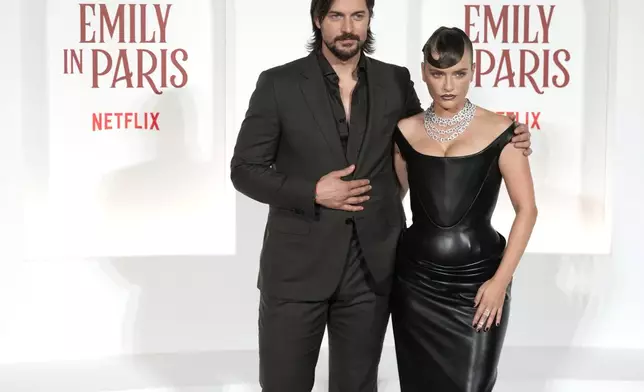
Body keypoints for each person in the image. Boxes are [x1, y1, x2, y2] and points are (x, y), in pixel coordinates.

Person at [230, 0, 532, 390]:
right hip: (296, 270)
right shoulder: (278, 84)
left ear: (369, 19)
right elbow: (244, 171)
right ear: (318, 19)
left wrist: (510, 137)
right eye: (336, 16)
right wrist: (313, 191)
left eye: (358, 16)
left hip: (371, 270)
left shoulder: (395, 81)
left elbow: (431, 134)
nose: (347, 28)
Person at [390, 26, 538, 391]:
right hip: (415, 285)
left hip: (479, 284)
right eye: (438, 74)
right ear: (424, 71)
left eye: (459, 73)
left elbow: (528, 210)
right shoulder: (404, 132)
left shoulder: (504, 131)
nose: (448, 86)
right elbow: (392, 201)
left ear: (473, 71)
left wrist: (500, 282)